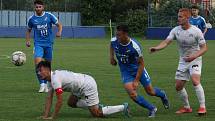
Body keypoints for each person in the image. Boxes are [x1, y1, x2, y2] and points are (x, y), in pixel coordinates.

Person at [149, 8, 208, 115]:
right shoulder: (176, 30)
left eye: (181, 17)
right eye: (178, 16)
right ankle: (186, 107)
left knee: (195, 81)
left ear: (187, 18)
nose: (178, 18)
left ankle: (202, 107)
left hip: (195, 59)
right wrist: (156, 48)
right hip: (183, 60)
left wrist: (193, 56)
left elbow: (204, 48)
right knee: (178, 86)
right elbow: (166, 42)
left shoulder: (196, 31)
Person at [109, 24, 169, 117]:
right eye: (116, 35)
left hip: (138, 70)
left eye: (119, 35)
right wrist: (111, 58)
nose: (117, 37)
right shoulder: (114, 40)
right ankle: (152, 108)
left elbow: (141, 64)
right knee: (132, 94)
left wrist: (137, 80)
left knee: (150, 91)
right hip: (126, 72)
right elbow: (112, 46)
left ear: (126, 34)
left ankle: (162, 95)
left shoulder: (135, 47)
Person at [37, 61, 130, 120]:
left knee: (96, 114)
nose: (39, 73)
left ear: (48, 70)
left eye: (41, 70)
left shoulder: (55, 80)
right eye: (38, 71)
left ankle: (123, 107)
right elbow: (49, 98)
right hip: (80, 85)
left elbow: (60, 101)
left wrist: (53, 117)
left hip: (87, 85)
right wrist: (45, 116)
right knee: (71, 102)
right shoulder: (50, 80)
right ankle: (95, 105)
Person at [26, 0, 62, 93]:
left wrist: (59, 31)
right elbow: (28, 30)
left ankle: (47, 84)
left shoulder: (49, 16)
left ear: (43, 7)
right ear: (34, 8)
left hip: (49, 44)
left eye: (40, 7)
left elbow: (59, 24)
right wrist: (28, 40)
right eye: (36, 7)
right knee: (38, 64)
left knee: (47, 65)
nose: (38, 8)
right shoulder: (32, 19)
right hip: (38, 44)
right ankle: (42, 84)